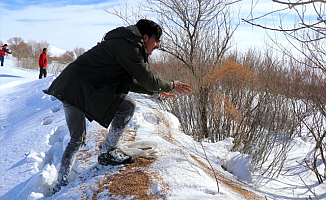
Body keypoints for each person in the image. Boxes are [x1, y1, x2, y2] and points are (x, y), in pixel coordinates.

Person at [44, 19, 192, 193]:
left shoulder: (126, 43)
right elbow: (148, 80)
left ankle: (98, 157)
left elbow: (131, 82)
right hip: (76, 88)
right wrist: (171, 84)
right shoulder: (130, 47)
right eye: (157, 40)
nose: (158, 45)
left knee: (83, 134)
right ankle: (88, 165)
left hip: (78, 86)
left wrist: (156, 91)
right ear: (146, 37)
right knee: (119, 111)